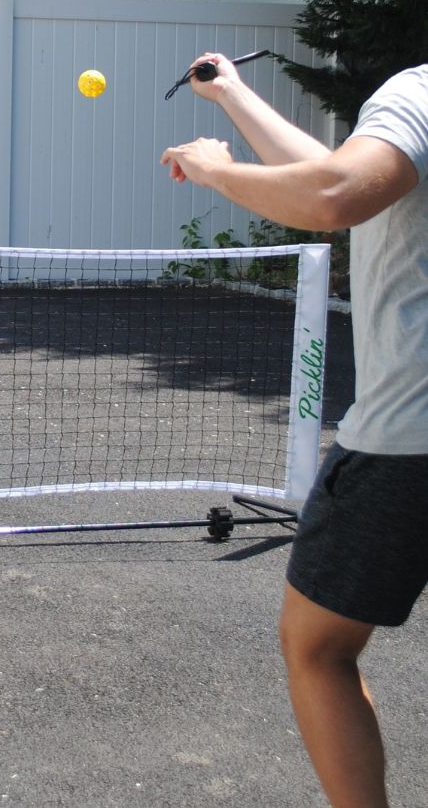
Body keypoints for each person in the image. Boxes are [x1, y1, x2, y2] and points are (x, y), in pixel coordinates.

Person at [160, 54, 427, 808]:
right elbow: (351, 175)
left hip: (408, 444)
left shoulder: (420, 92)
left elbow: (337, 193)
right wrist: (234, 96)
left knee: (318, 649)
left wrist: (217, 173)